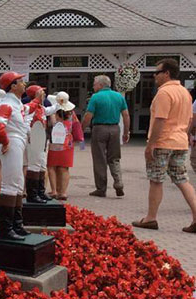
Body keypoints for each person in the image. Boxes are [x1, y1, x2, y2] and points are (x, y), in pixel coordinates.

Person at [131, 59, 196, 233]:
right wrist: (184, 134)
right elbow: (190, 119)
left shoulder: (164, 93)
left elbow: (161, 119)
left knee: (156, 180)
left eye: (157, 72)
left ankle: (151, 218)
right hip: (180, 142)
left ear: (166, 73)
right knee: (182, 180)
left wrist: (150, 144)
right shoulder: (185, 93)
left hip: (162, 142)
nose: (154, 75)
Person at [0, 72, 31, 240]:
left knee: (18, 184)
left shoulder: (16, 104)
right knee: (11, 185)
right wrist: (6, 142)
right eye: (21, 82)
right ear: (13, 86)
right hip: (13, 143)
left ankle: (16, 224)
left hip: (16, 143)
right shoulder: (7, 104)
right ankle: (5, 228)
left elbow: (32, 108)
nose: (24, 84)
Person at [82, 75, 130, 197]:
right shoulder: (119, 96)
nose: (93, 86)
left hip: (99, 128)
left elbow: (88, 116)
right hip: (115, 129)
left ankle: (101, 188)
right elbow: (126, 115)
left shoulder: (96, 97)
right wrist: (126, 132)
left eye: (94, 84)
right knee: (114, 158)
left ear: (100, 85)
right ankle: (118, 182)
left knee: (99, 159)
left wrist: (81, 129)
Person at [23, 85, 59, 203]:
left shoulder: (41, 107)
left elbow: (51, 110)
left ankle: (40, 192)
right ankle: (32, 194)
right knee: (34, 166)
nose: (44, 94)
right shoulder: (30, 108)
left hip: (41, 141)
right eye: (41, 92)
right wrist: (31, 137)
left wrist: (60, 103)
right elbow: (26, 123)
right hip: (34, 141)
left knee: (42, 166)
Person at [46, 92, 83, 200]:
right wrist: (79, 139)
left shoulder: (54, 112)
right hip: (68, 142)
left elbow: (52, 125)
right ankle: (63, 192)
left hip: (55, 142)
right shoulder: (71, 113)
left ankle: (54, 191)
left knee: (52, 166)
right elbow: (76, 126)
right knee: (64, 168)